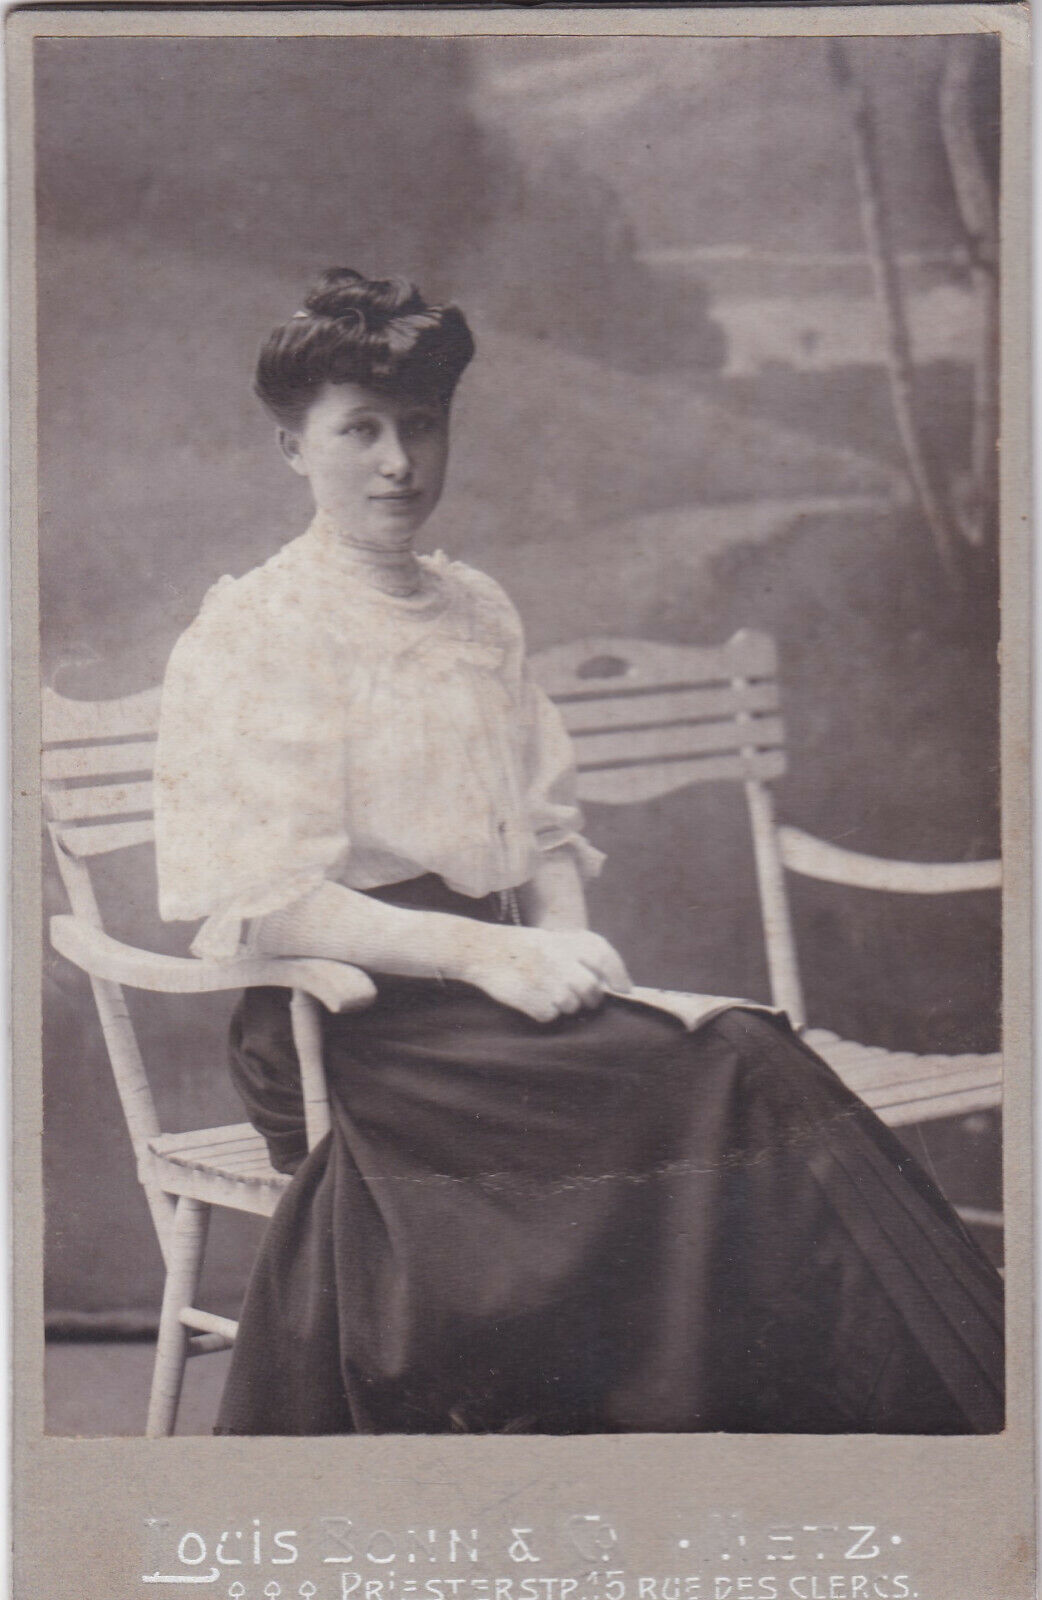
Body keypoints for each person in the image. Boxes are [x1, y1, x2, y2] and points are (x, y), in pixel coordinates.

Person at [154, 268, 1003, 1436]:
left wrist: (562, 940)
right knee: (738, 1066)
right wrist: (482, 957)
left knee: (736, 1055)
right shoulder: (255, 631)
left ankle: (932, 1425)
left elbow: (541, 825)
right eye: (359, 430)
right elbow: (268, 901)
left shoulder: (477, 610)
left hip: (498, 1002)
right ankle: (919, 1420)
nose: (398, 462)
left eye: (421, 426)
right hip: (343, 1022)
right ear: (290, 449)